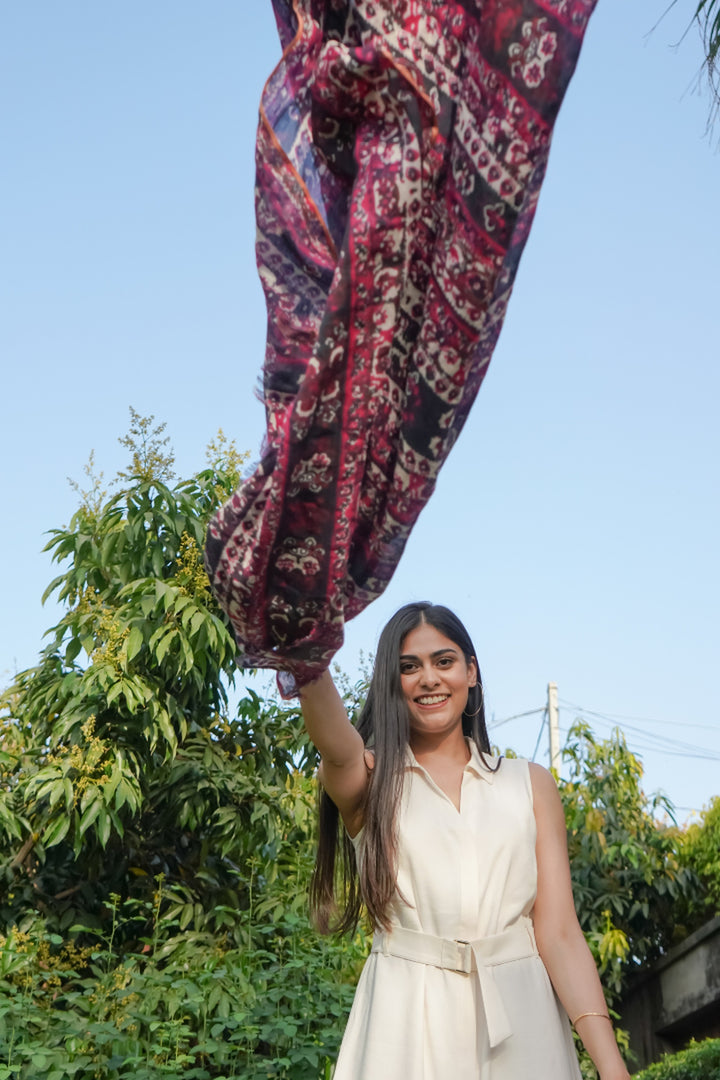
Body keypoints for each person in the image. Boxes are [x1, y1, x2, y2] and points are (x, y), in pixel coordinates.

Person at [299, 602, 631, 1080]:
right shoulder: (368, 779)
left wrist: (611, 1067)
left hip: (524, 1018)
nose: (429, 678)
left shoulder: (530, 784)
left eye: (444, 661)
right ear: (390, 684)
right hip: (405, 1020)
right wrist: (306, 655)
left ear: (471, 672)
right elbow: (334, 741)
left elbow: (558, 935)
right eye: (408, 667)